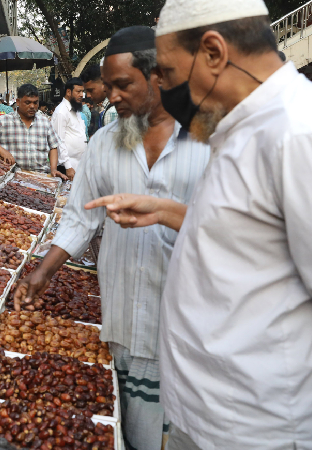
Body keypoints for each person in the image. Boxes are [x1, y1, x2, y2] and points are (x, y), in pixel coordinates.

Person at [85, 1, 312, 448]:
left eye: (167, 74)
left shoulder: (295, 134)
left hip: (254, 426)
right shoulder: (239, 126)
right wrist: (166, 211)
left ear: (213, 52)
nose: (164, 89)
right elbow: (253, 239)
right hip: (207, 416)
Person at [14, 26, 210, 450]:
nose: (110, 95)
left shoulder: (208, 139)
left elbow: (235, 229)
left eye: (123, 85)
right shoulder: (104, 143)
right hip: (123, 309)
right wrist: (43, 271)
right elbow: (80, 217)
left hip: (189, 317)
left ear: (159, 76)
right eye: (107, 85)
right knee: (130, 425)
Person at [0, 84, 66, 178]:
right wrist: (2, 151)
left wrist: (53, 169)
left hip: (41, 176)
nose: (32, 106)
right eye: (27, 102)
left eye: (35, 103)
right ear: (18, 102)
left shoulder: (45, 122)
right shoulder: (4, 121)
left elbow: (53, 147)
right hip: (13, 177)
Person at [51, 77, 87, 178]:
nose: (81, 95)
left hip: (78, 164)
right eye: (78, 91)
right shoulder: (61, 112)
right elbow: (59, 141)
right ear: (68, 92)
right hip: (66, 167)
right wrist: (68, 166)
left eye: (82, 92)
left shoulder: (76, 110)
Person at [81, 63, 118, 136]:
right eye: (86, 91)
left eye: (91, 90)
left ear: (104, 84)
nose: (88, 95)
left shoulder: (111, 112)